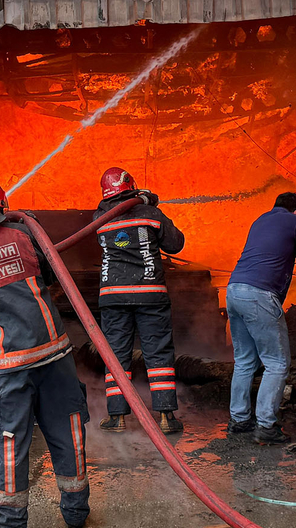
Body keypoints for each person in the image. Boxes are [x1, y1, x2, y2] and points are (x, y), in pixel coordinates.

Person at [0, 173, 90, 528]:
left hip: (7, 365)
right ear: (0, 204)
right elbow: (52, 277)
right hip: (53, 353)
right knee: (68, 429)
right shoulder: (25, 234)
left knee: (9, 442)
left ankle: (9, 521)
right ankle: (75, 513)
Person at [226, 192, 296, 445]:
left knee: (244, 361)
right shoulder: (294, 221)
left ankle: (239, 420)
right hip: (259, 295)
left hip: (234, 290)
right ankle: (266, 425)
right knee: (276, 363)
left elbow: (288, 248)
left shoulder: (260, 221)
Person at [91, 167, 186, 434]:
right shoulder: (151, 214)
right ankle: (166, 416)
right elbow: (175, 244)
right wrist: (151, 206)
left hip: (112, 296)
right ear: (131, 186)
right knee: (158, 353)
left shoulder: (100, 217)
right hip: (150, 294)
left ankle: (117, 417)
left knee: (116, 356)